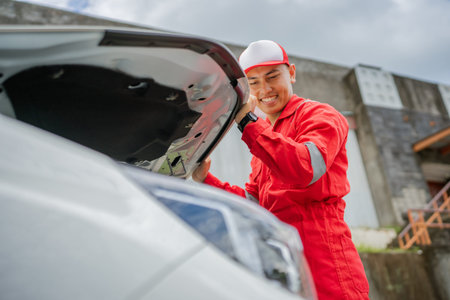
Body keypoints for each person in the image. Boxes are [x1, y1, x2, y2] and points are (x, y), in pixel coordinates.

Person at [192, 40, 369, 300]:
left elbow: (304, 170)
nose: (264, 89)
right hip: (282, 257)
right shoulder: (265, 138)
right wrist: (206, 179)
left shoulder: (321, 116)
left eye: (272, 77)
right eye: (253, 82)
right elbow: (255, 206)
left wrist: (248, 123)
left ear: (292, 73)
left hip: (325, 258)